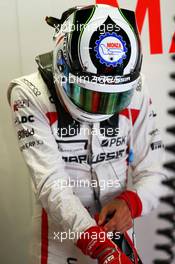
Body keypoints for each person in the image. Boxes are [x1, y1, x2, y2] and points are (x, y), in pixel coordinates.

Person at [7, 4, 166, 264]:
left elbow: (155, 169)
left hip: (119, 236)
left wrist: (131, 203)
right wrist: (98, 245)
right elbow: (51, 183)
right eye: (91, 94)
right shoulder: (28, 93)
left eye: (115, 97)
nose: (102, 106)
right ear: (62, 67)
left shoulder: (137, 86)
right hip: (59, 243)